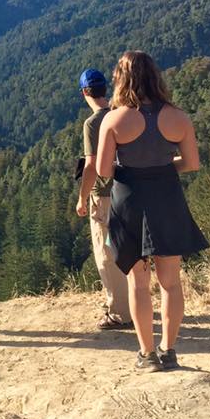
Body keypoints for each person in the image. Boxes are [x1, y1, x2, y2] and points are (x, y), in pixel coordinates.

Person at [95, 51, 208, 373]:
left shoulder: (114, 120)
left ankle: (147, 355)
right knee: (171, 283)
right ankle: (169, 351)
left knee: (138, 284)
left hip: (129, 201)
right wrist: (161, 165)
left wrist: (134, 166)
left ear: (122, 79)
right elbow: (191, 164)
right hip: (167, 199)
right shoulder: (178, 117)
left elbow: (104, 169)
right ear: (155, 76)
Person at [75, 68, 132, 330]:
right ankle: (134, 302)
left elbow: (91, 166)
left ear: (85, 92)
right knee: (127, 249)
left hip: (104, 195)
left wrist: (82, 197)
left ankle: (119, 312)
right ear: (104, 89)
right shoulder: (123, 113)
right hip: (128, 191)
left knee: (106, 253)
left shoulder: (93, 123)